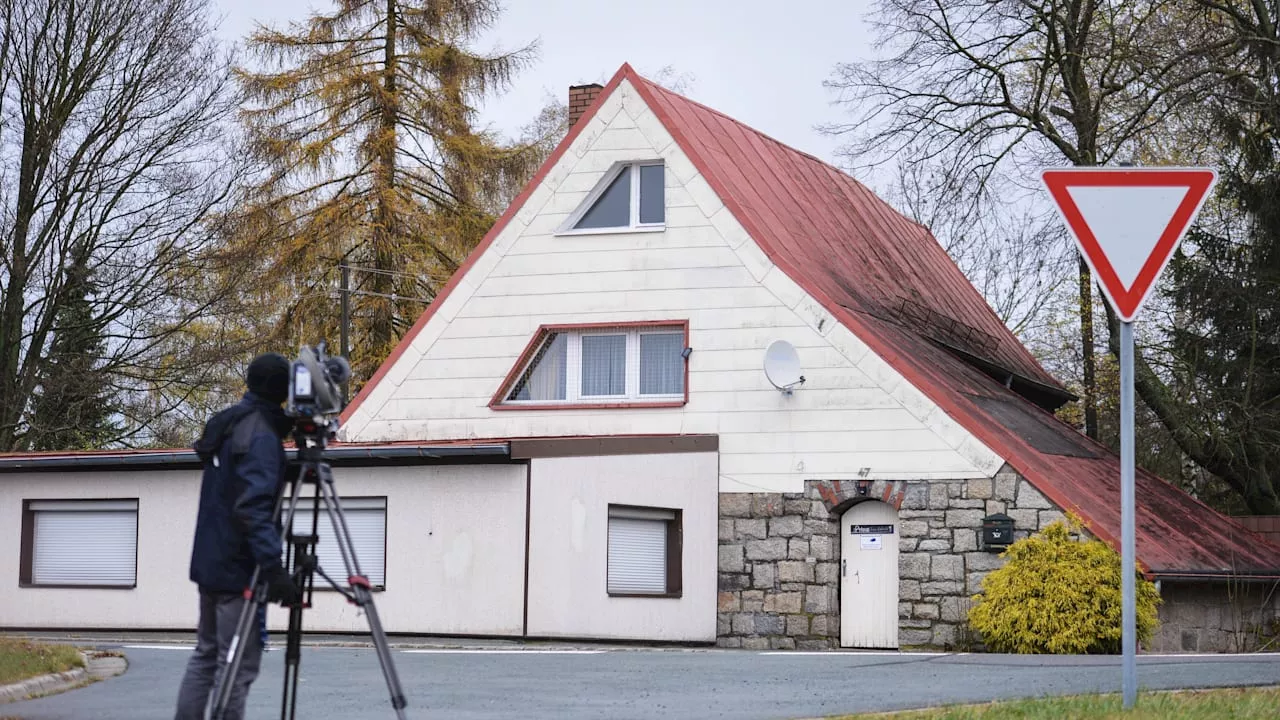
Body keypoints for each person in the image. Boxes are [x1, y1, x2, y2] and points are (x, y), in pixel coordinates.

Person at [175, 353, 302, 720]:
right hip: (237, 571)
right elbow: (253, 507)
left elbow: (237, 489)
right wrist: (273, 566)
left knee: (207, 656)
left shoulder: (232, 423)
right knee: (236, 666)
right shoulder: (261, 435)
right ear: (282, 388)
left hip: (210, 564)